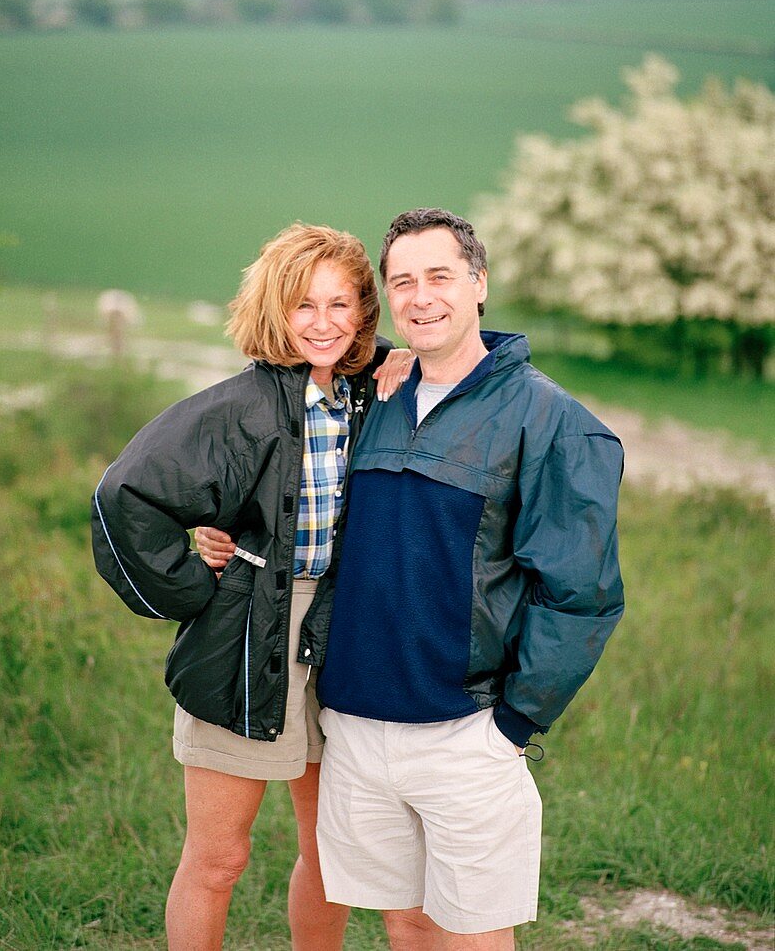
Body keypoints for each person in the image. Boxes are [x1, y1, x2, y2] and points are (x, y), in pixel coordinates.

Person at [198, 207, 625, 951]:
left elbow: (580, 594)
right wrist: (215, 531)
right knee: (407, 923)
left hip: (466, 730)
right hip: (356, 728)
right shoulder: (373, 398)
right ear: (387, 299)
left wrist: (513, 724)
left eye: (441, 277)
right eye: (403, 282)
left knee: (472, 930)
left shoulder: (551, 420)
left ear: (480, 282)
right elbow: (299, 490)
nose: (422, 297)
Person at [90, 223, 412, 951]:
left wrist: (406, 360)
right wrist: (186, 584)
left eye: (341, 304)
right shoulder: (237, 407)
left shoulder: (381, 390)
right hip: (245, 633)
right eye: (304, 305)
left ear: (364, 311)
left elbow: (469, 358)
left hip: (345, 640)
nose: (324, 323)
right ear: (275, 309)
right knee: (219, 859)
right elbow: (126, 494)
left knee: (332, 857)